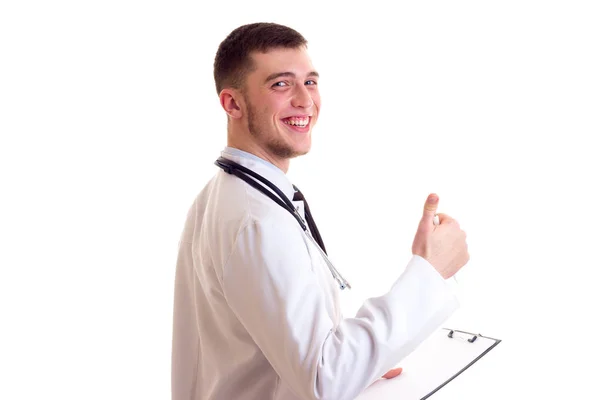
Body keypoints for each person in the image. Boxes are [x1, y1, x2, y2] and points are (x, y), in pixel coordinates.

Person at [171, 22, 469, 400]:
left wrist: (365, 367)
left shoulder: (223, 196)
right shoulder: (257, 220)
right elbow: (324, 380)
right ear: (233, 104)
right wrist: (430, 271)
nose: (305, 100)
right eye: (281, 84)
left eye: (310, 82)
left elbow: (264, 354)